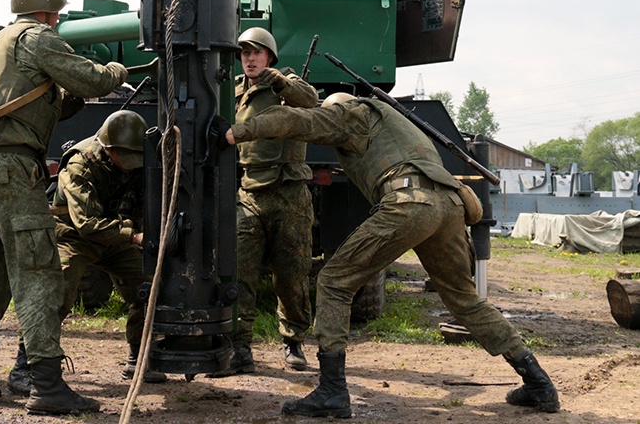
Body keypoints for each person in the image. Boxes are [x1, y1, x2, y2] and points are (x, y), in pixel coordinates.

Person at [226, 92, 560, 417]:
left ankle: (332, 391)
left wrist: (237, 132)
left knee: (333, 281)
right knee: (465, 300)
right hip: (448, 204)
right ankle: (537, 382)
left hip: (409, 203)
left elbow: (293, 120)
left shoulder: (350, 114)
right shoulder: (398, 122)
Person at [0, 0, 129, 416]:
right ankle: (46, 384)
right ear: (50, 12)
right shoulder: (37, 38)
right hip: (11, 168)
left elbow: (45, 101)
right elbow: (92, 81)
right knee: (39, 272)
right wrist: (117, 71)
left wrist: (62, 97)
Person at [6, 109, 166, 394]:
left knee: (149, 285)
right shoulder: (80, 164)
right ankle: (27, 365)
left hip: (117, 238)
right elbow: (86, 224)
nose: (130, 166)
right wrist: (135, 236)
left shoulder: (141, 162)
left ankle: (139, 356)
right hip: (75, 237)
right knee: (56, 291)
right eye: (124, 158)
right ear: (107, 148)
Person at [217, 27, 318, 376]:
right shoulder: (233, 91)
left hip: (288, 192)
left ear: (270, 57)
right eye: (244, 52)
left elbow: (311, 101)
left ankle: (293, 342)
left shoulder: (286, 84)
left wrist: (280, 81)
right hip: (248, 192)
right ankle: (241, 345)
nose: (249, 58)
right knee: (241, 272)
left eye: (257, 52)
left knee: (291, 274)